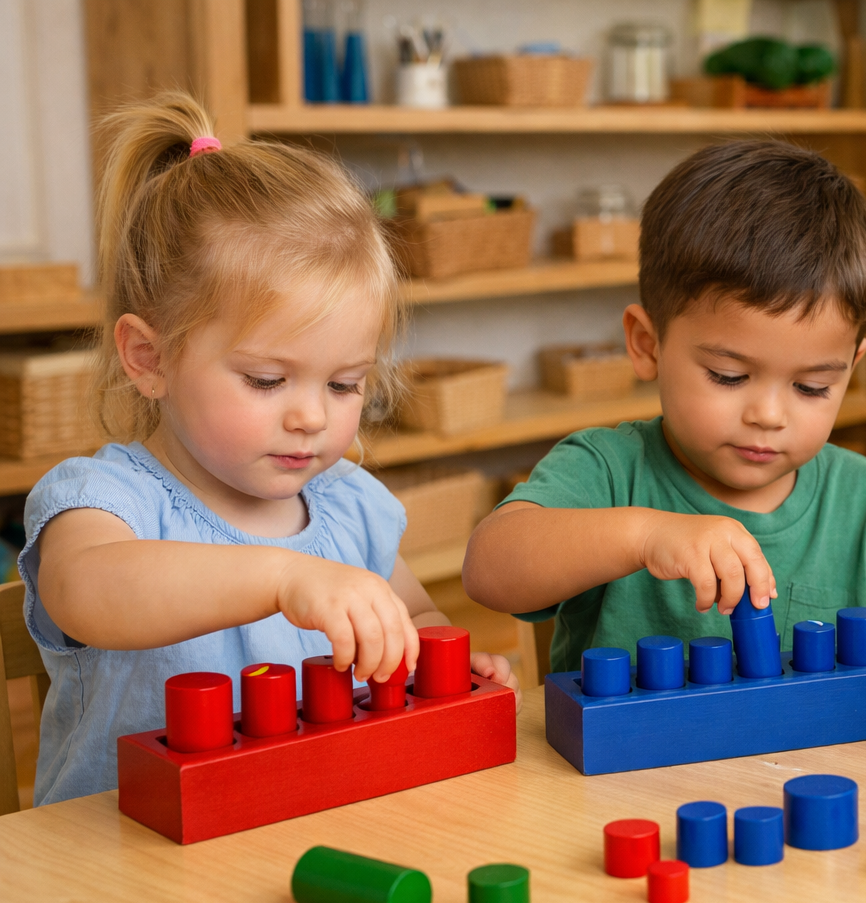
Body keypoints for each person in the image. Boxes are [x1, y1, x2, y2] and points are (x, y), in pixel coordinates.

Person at [20, 92, 514, 805]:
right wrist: (283, 578)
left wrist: (439, 667)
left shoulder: (347, 508)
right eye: (266, 380)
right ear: (149, 358)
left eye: (344, 385)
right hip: (124, 856)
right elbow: (86, 592)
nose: (311, 417)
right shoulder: (107, 502)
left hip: (298, 827)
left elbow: (413, 620)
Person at [465, 141, 866, 706]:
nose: (768, 415)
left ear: (852, 367)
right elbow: (488, 568)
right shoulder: (606, 470)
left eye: (812, 387)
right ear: (646, 344)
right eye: (729, 376)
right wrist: (644, 537)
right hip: (634, 760)